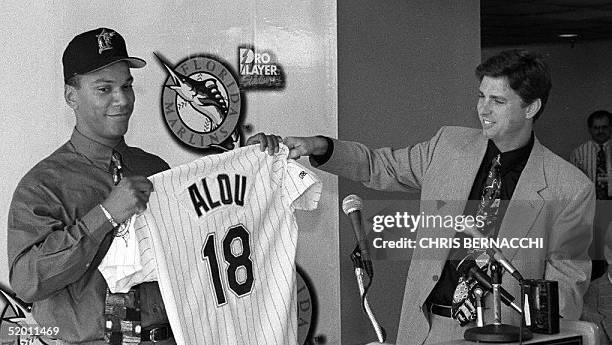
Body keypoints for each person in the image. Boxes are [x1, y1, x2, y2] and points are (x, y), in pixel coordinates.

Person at [252, 49, 594, 344]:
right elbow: (379, 166)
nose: (483, 110)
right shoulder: (448, 145)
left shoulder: (571, 188)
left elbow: (566, 288)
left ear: (531, 107)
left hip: (508, 335)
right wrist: (320, 147)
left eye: (498, 101)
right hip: (428, 328)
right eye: (481, 96)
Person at [7, 28, 176, 344]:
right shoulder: (41, 185)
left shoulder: (155, 169)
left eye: (127, 86)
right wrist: (105, 215)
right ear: (72, 96)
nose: (122, 99)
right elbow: (27, 281)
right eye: (104, 89)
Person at [570, 110, 612, 280]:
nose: (600, 131)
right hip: (592, 208)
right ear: (590, 129)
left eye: (604, 127)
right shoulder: (579, 153)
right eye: (596, 128)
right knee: (595, 250)